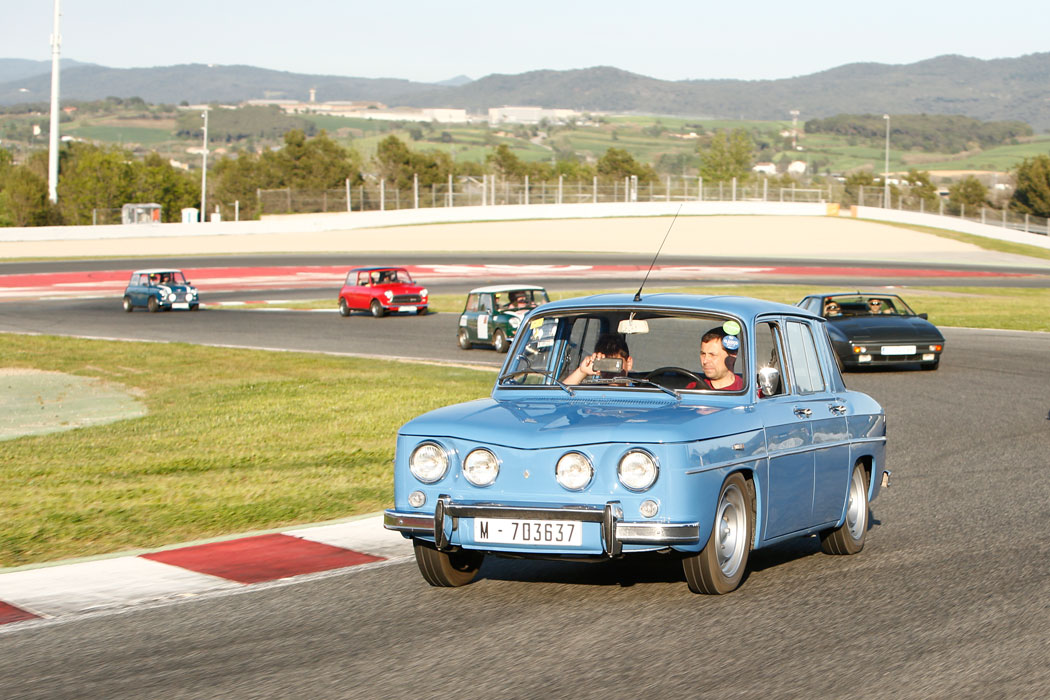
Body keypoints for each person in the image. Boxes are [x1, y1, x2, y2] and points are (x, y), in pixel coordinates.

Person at [563, 333, 633, 385]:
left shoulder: (640, 393)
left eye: (614, 364)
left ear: (629, 363)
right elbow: (560, 396)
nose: (610, 371)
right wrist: (582, 371)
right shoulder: (594, 391)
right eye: (605, 364)